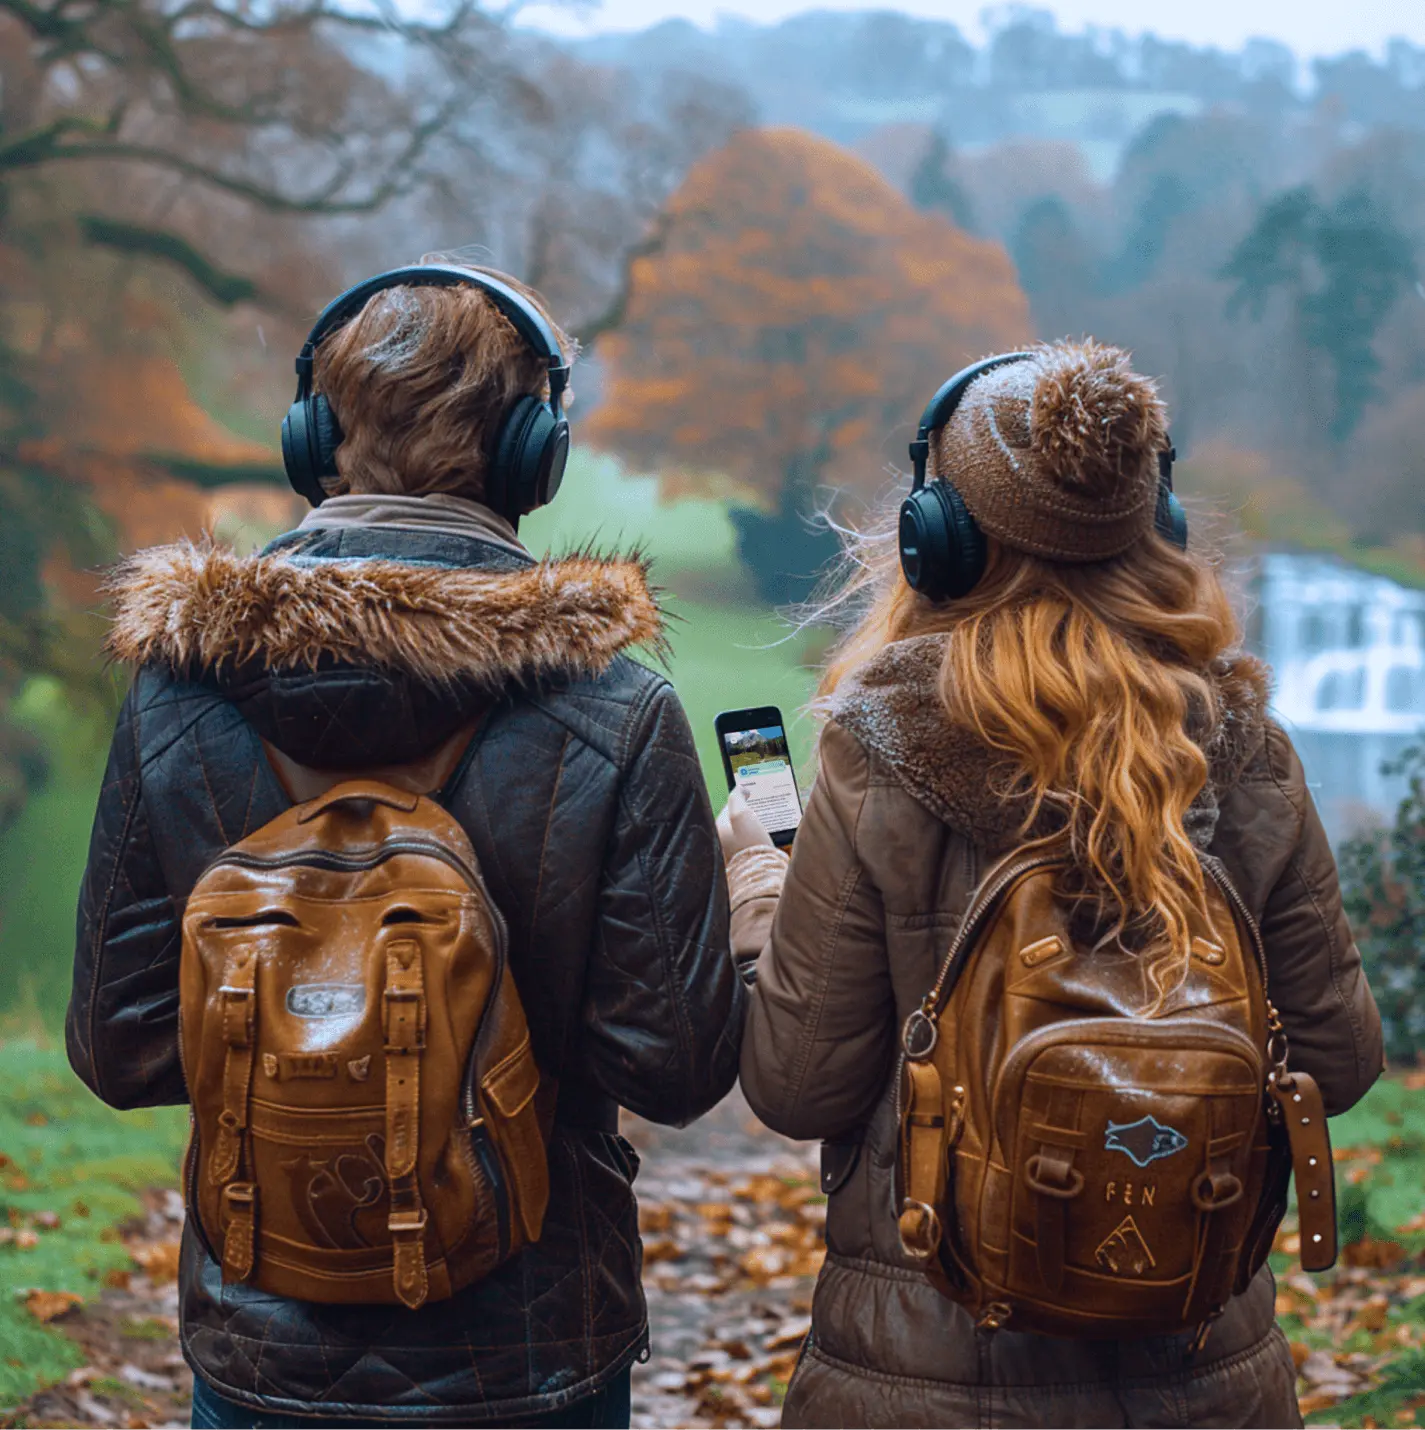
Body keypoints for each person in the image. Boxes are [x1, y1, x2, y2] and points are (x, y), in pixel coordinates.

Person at [68, 262, 745, 1429]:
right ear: (536, 452)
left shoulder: (176, 696)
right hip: (533, 1347)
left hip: (262, 1337)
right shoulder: (615, 710)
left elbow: (119, 1047)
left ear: (315, 437)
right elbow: (679, 1069)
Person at [718, 340, 1384, 1430]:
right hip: (1204, 1376)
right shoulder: (1245, 743)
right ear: (1155, 522)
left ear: (934, 540)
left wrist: (757, 877)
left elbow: (797, 1087)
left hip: (924, 1376)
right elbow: (1342, 1062)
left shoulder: (877, 749)